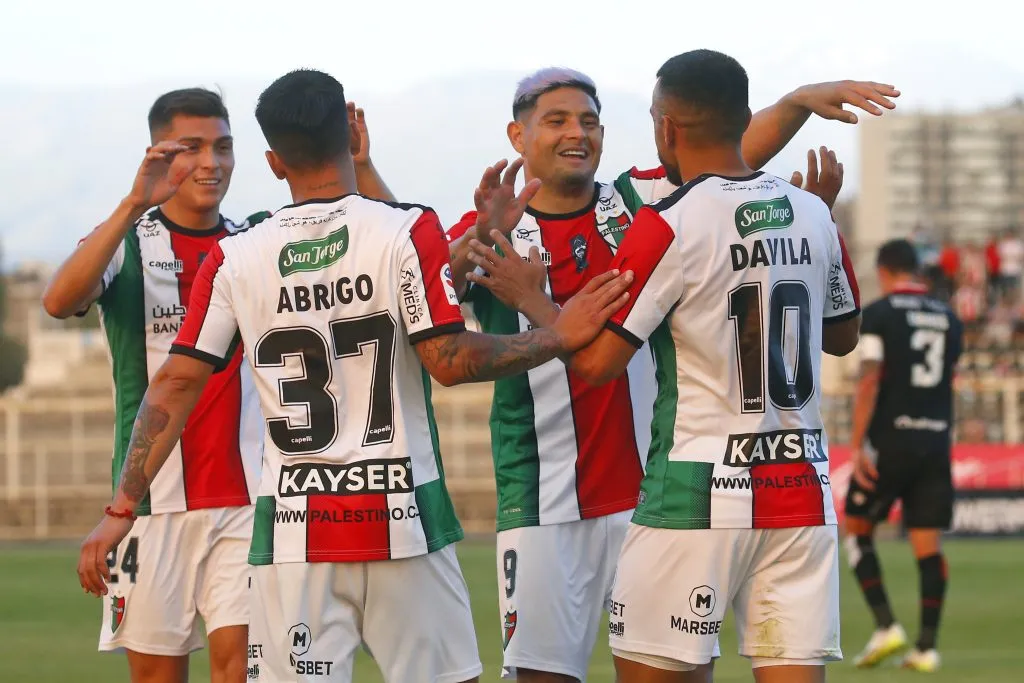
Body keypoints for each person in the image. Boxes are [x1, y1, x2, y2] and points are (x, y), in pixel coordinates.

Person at [74, 68, 635, 683]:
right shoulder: (405, 228)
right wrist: (557, 333)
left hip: (295, 539)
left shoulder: (236, 254)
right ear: (349, 136)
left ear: (273, 161)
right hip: (405, 526)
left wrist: (123, 505)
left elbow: (175, 384)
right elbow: (449, 360)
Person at [445, 66, 895, 683]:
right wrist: (474, 235)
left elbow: (721, 154)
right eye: (557, 121)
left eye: (589, 120)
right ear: (516, 137)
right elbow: (422, 303)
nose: (578, 132)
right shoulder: (492, 227)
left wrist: (794, 105)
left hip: (655, 491)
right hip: (547, 497)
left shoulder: (634, 204)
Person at [42, 88, 267, 683]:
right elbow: (59, 301)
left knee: (240, 671)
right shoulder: (128, 243)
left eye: (223, 147)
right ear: (160, 155)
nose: (211, 163)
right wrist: (133, 203)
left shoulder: (253, 242)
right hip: (149, 506)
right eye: (191, 148)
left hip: (248, 501)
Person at [844, 239, 963, 673]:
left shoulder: (878, 315)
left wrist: (858, 446)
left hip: (891, 441)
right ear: (916, 270)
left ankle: (885, 626)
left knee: (857, 529)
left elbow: (871, 378)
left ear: (885, 270)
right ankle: (927, 647)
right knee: (927, 544)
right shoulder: (949, 318)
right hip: (935, 442)